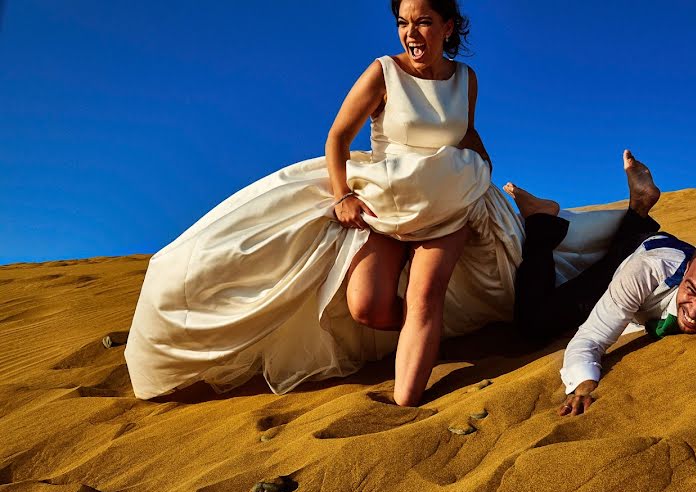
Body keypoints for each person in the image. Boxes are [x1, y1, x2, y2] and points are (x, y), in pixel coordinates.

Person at [124, 0, 628, 405]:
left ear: (449, 26)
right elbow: (338, 137)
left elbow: (466, 131)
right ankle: (422, 332)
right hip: (385, 203)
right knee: (366, 306)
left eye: (424, 22)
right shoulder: (383, 72)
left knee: (428, 299)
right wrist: (342, 194)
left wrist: (484, 170)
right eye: (404, 22)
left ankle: (411, 390)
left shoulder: (465, 79)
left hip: (450, 201)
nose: (412, 33)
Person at [504, 154, 696, 417]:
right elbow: (592, 337)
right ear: (687, 272)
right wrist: (582, 385)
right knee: (534, 323)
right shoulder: (643, 273)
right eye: (691, 290)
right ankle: (541, 220)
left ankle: (638, 209)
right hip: (637, 258)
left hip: (663, 248)